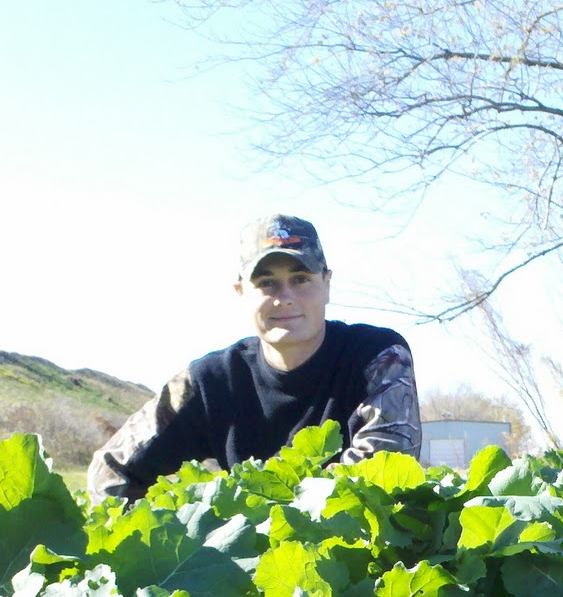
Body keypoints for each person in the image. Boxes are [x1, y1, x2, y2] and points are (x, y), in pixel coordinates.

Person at [86, 214, 421, 501]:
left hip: (356, 564)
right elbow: (109, 472)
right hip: (244, 567)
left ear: (327, 283)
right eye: (266, 283)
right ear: (241, 292)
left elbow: (382, 473)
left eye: (301, 279)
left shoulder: (377, 357)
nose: (285, 298)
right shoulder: (209, 380)